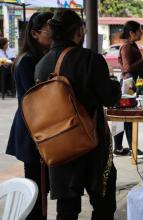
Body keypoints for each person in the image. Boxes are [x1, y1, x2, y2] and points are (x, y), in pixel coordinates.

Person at [34, 10, 121, 219]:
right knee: (103, 204)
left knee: (67, 208)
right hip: (91, 145)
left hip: (58, 145)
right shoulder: (89, 59)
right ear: (80, 32)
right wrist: (115, 84)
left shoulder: (41, 65)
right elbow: (109, 98)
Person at [5, 12, 53, 220]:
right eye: (50, 29)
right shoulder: (27, 61)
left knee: (44, 187)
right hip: (32, 130)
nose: (54, 34)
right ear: (34, 33)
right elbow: (32, 99)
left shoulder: (42, 56)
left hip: (41, 128)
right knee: (35, 188)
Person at [113, 20, 143, 158]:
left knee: (122, 117)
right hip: (128, 84)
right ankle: (133, 149)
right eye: (139, 30)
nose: (141, 33)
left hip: (131, 83)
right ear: (132, 33)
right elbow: (127, 68)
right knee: (127, 116)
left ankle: (119, 148)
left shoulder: (132, 45)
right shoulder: (127, 47)